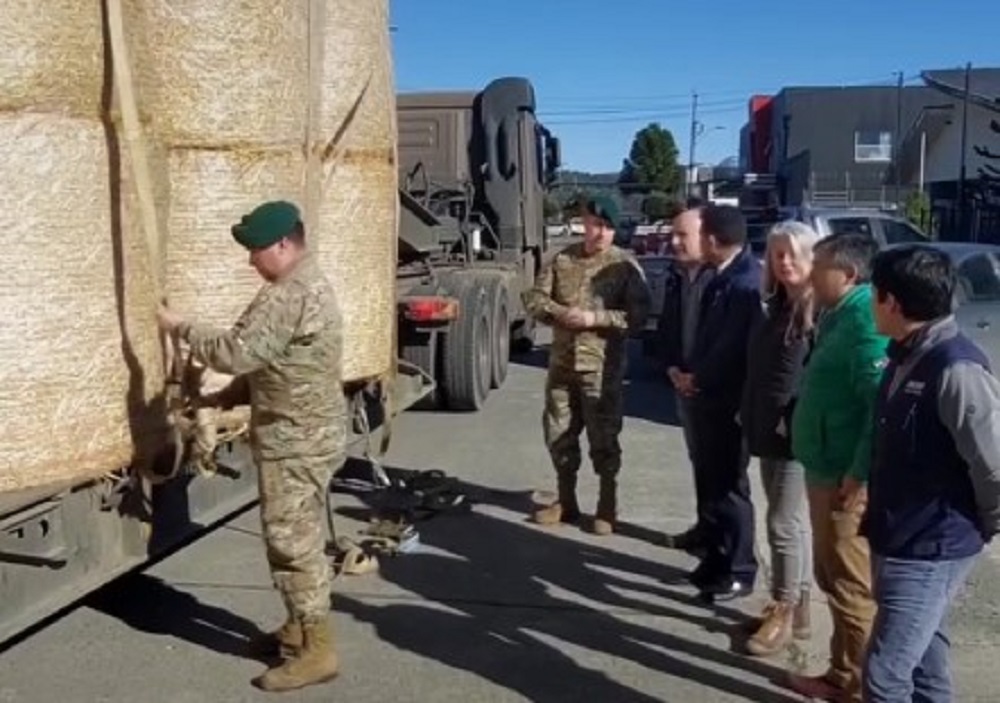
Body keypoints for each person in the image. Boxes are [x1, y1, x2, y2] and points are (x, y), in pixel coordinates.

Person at [157, 200, 345, 692]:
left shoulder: (289, 293)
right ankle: (297, 625)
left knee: (291, 540)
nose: (249, 261)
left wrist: (179, 328)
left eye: (255, 250)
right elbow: (276, 362)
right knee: (295, 534)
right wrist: (227, 397)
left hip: (296, 440)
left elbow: (238, 351)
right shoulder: (302, 284)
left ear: (285, 244)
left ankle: (318, 648)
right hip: (305, 432)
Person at [863, 245, 1000, 702]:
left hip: (930, 546)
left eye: (873, 293)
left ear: (892, 303)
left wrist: (985, 525)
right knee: (926, 663)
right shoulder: (906, 354)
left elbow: (993, 462)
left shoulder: (955, 367)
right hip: (900, 534)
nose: (869, 302)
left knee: (885, 677)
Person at [789, 232, 887, 702]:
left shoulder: (865, 320)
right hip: (825, 467)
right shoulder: (838, 313)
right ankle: (842, 675)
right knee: (832, 576)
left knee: (852, 588)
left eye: (819, 264)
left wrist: (859, 473)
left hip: (845, 478)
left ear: (847, 273)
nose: (810, 271)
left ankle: (866, 689)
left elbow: (878, 407)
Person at [524, 194, 651, 536]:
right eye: (594, 225)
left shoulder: (624, 267)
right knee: (559, 432)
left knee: (604, 436)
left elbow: (639, 317)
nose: (599, 234)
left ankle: (607, 505)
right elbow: (533, 299)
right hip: (562, 364)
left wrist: (596, 317)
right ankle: (566, 501)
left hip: (601, 369)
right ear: (584, 224)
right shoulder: (562, 259)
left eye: (607, 228)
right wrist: (558, 313)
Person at [740, 221, 818, 656]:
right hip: (766, 427)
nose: (783, 262)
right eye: (776, 254)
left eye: (791, 253)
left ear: (810, 257)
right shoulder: (776, 306)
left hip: (794, 435)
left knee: (782, 523)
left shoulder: (816, 310)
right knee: (788, 521)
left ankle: (785, 609)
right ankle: (797, 605)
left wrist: (795, 419)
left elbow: (815, 378)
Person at [685, 204, 762, 601]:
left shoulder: (747, 283)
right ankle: (714, 560)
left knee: (731, 489)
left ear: (712, 239)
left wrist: (698, 376)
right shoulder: (722, 275)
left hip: (728, 404)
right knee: (712, 486)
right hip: (707, 399)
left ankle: (740, 569)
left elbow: (731, 349)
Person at [655, 206, 715, 554]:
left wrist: (700, 375)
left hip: (712, 389)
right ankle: (704, 527)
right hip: (684, 384)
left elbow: (727, 338)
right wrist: (672, 368)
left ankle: (726, 545)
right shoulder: (679, 276)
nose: (673, 242)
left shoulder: (720, 278)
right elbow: (668, 328)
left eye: (682, 236)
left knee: (722, 474)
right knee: (699, 462)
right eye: (672, 235)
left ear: (706, 238)